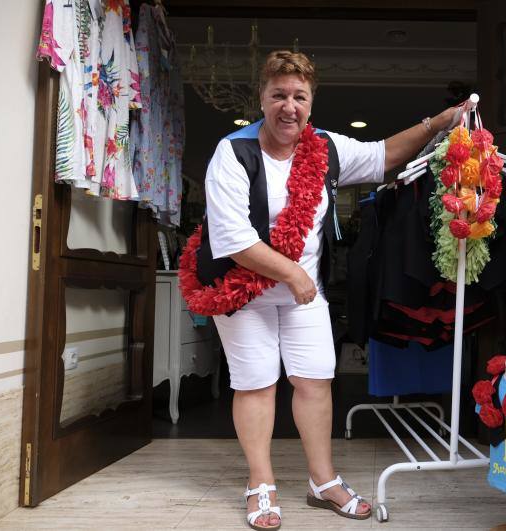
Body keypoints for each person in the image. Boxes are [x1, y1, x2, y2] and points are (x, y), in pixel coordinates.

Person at [197, 50, 468, 530]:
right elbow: (233, 239)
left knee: (315, 378)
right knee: (256, 381)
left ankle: (323, 482)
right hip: (241, 286)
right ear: (262, 97)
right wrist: (295, 274)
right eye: (278, 94)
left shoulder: (325, 146)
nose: (289, 106)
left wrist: (439, 122)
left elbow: (385, 154)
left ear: (310, 101)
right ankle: (261, 483)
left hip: (302, 291)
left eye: (299, 96)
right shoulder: (233, 152)